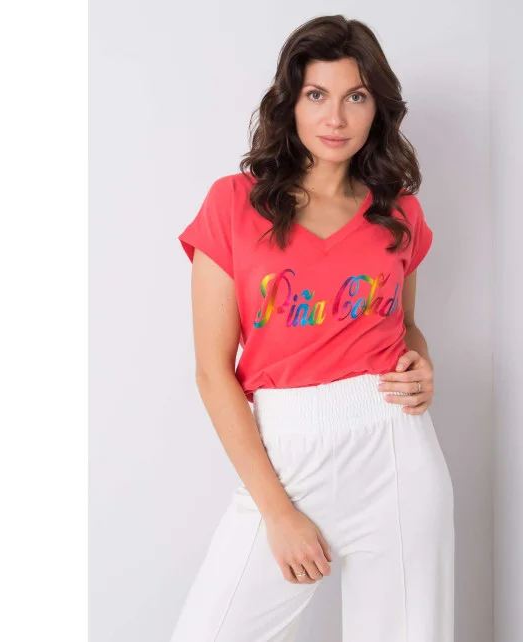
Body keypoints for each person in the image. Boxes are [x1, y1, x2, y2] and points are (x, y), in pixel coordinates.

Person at [170, 14, 454, 642]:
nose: (336, 118)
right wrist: (277, 512)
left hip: (396, 451)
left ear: (377, 108)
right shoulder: (234, 204)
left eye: (356, 96)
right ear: (290, 103)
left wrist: (421, 362)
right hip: (286, 454)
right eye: (317, 95)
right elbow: (212, 372)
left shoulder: (399, 211)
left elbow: (405, 326)